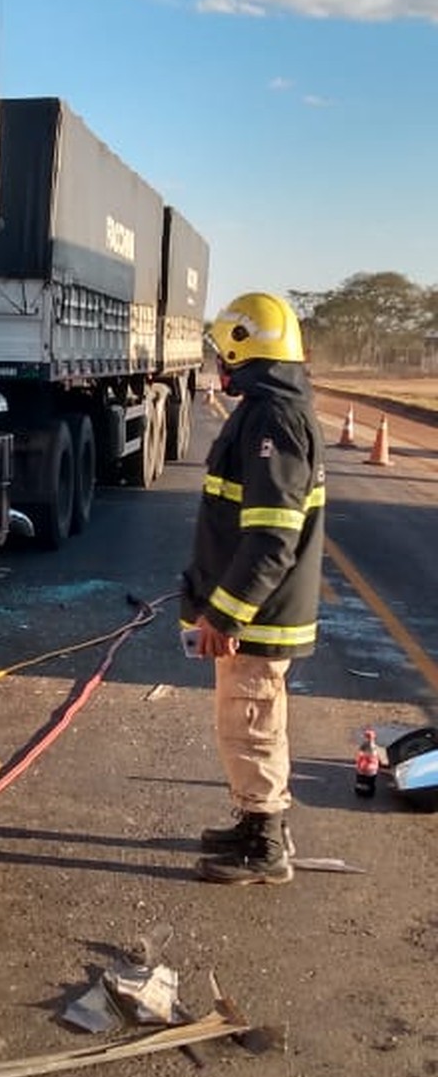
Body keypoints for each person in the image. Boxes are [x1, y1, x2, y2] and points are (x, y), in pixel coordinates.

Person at [180, 292, 326, 885]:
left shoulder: (274, 419)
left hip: (258, 616)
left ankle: (264, 845)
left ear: (245, 351)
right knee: (250, 721)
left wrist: (225, 615)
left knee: (251, 723)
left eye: (224, 353)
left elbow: (271, 538)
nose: (219, 364)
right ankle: (256, 822)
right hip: (254, 610)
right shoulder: (266, 410)